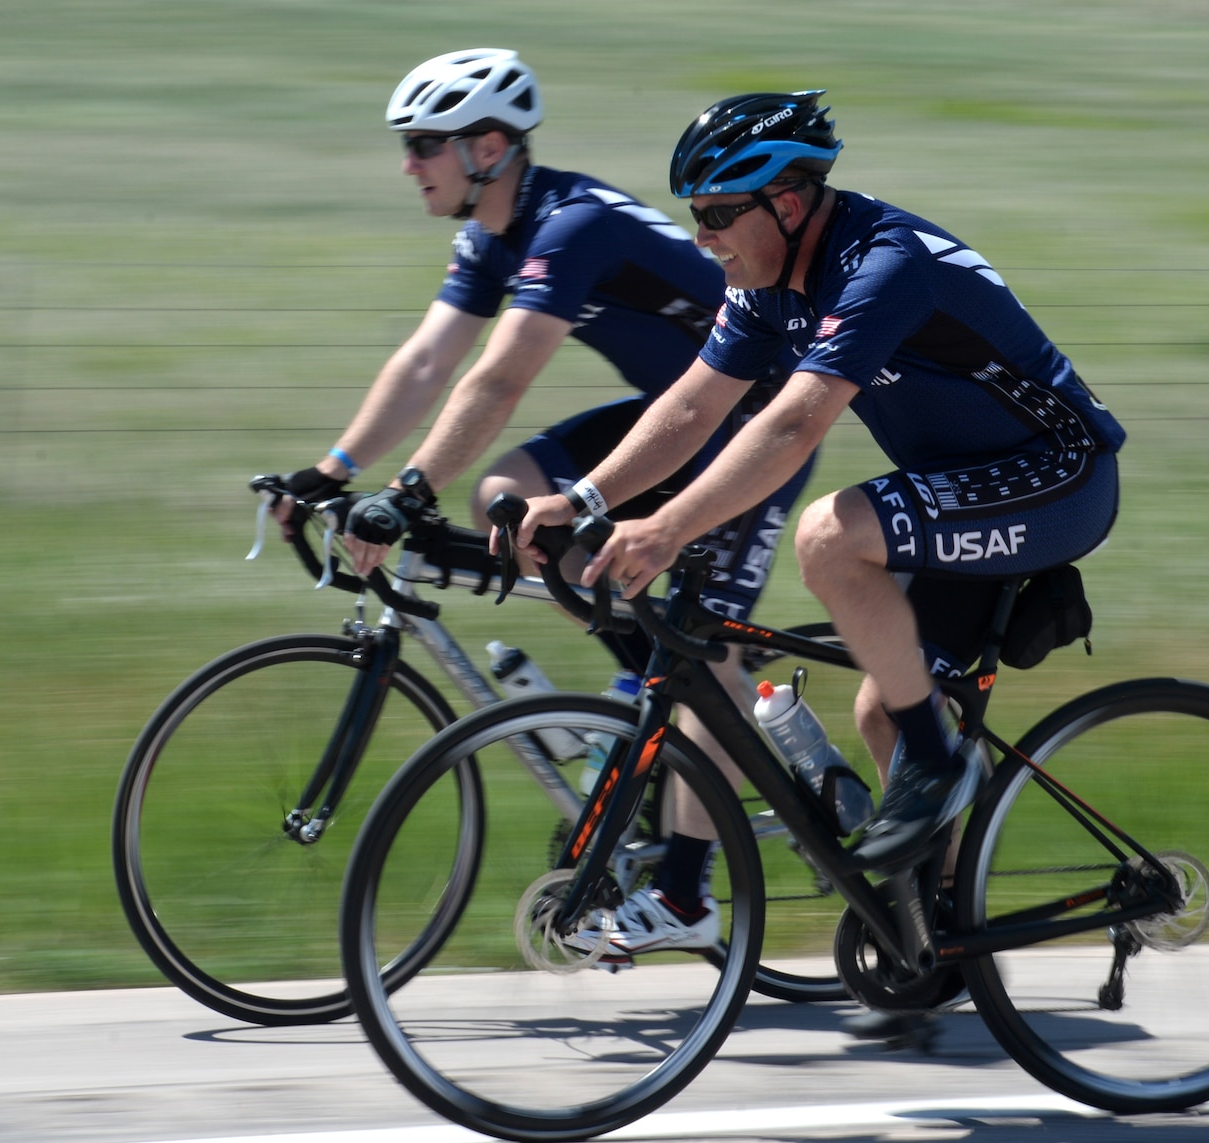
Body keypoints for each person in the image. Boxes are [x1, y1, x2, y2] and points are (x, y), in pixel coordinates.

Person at [514, 91, 1126, 1001]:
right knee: (882, 706)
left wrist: (667, 524)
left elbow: (797, 423)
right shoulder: (765, 285)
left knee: (830, 537)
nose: (704, 237)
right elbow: (690, 404)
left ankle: (938, 761)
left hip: (1059, 474)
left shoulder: (881, 264)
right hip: (961, 490)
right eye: (696, 216)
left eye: (719, 215)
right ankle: (940, 933)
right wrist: (589, 495)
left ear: (787, 204)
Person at [273, 49, 815, 959]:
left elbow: (499, 379)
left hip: (755, 424)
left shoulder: (569, 226)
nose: (410, 165)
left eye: (423, 145)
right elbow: (426, 363)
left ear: (488, 145)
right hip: (670, 416)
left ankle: (686, 889)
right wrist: (330, 472)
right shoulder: (492, 232)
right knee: (506, 499)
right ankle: (630, 698)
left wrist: (404, 494)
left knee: (705, 648)